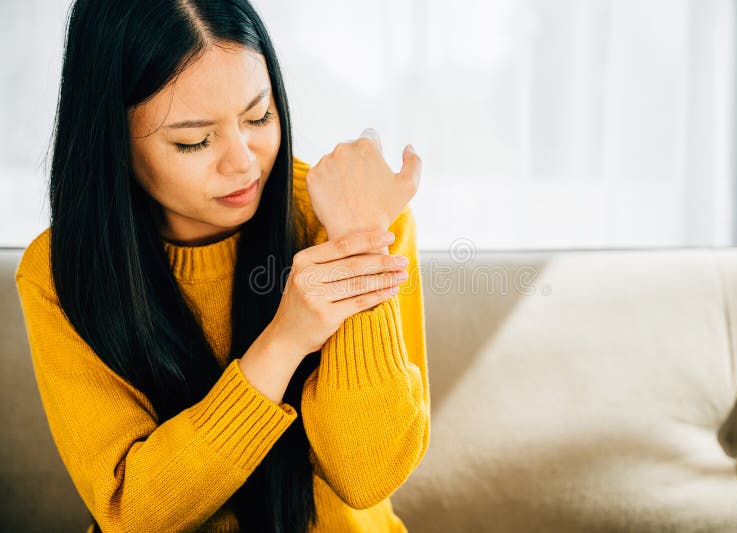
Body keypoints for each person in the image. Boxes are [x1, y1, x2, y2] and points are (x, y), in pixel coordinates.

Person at [14, 1, 429, 532]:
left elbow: (368, 473)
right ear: (112, 141)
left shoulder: (353, 216)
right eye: (194, 140)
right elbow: (134, 513)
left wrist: (357, 238)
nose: (243, 161)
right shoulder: (59, 273)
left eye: (258, 116)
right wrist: (283, 343)